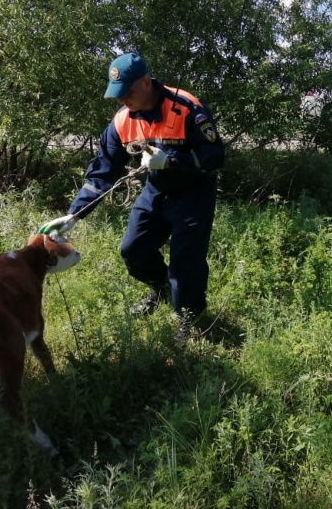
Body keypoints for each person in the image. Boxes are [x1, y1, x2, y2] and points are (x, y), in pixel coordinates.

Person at [40, 52, 225, 337]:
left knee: (185, 262)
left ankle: (189, 318)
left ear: (146, 82)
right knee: (133, 250)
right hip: (156, 190)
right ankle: (161, 288)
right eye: (117, 94)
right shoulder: (122, 121)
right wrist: (74, 214)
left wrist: (172, 161)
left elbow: (214, 157)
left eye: (126, 92)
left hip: (193, 193)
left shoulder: (187, 108)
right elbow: (103, 171)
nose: (121, 99)